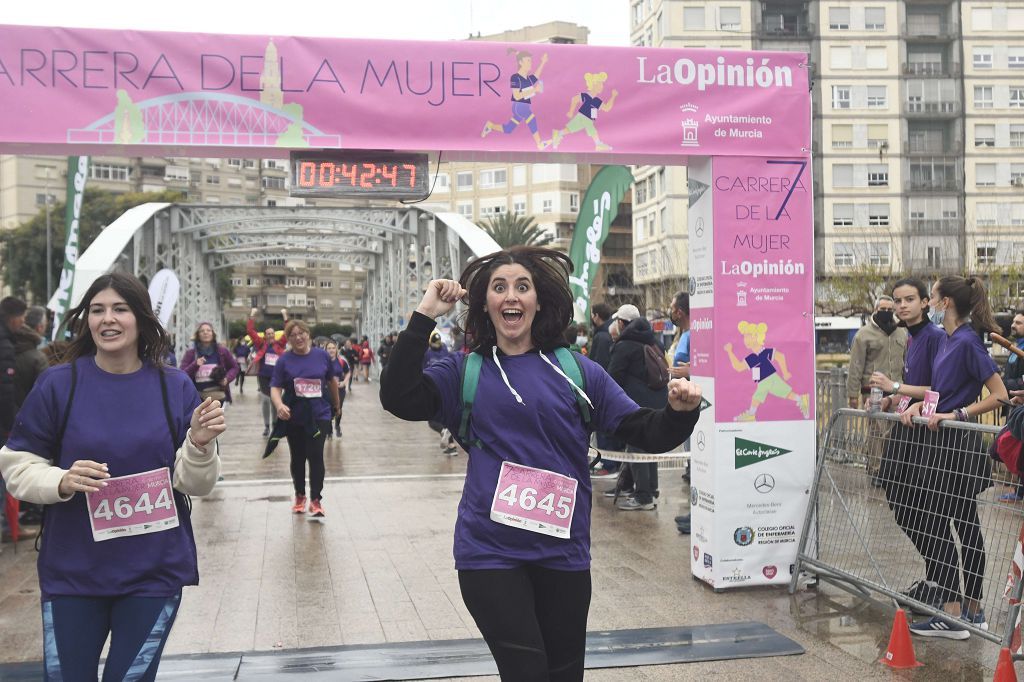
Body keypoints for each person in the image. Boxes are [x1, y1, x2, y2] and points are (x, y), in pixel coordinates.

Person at [380, 246, 703, 680]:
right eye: (499, 288)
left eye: (522, 287)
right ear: (487, 304)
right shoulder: (464, 372)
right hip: (489, 554)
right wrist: (425, 314)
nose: (511, 296)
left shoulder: (577, 371)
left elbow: (646, 431)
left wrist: (680, 413)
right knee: (527, 673)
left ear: (538, 301)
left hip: (563, 554)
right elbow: (397, 396)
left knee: (564, 675)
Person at [0, 271, 224, 680]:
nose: (108, 319)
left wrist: (199, 444)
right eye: (97, 310)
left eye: (120, 309)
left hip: (153, 573)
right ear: (86, 320)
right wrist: (61, 480)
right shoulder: (57, 384)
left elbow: (198, 484)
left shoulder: (174, 387)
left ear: (141, 318)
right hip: (73, 573)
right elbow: (17, 466)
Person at [899, 276, 1008, 639]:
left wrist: (957, 414)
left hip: (958, 448)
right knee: (950, 524)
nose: (928, 300)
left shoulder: (966, 342)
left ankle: (961, 612)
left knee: (960, 527)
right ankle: (965, 613)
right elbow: (941, 392)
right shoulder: (947, 339)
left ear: (944, 303)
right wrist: (921, 405)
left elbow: (999, 394)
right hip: (942, 446)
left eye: (931, 295)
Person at [868, 278, 946, 609]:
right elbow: (916, 387)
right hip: (906, 429)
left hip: (926, 437)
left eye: (910, 299)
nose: (902, 306)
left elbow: (938, 387)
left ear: (926, 302)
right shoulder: (911, 338)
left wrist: (895, 386)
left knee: (927, 512)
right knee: (901, 504)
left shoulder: (935, 337)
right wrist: (895, 400)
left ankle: (943, 586)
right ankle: (935, 579)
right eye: (898, 300)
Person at [271, 320, 341, 518]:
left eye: (301, 333)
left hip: (320, 414)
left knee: (316, 455)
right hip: (295, 416)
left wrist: (337, 405)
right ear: (289, 339)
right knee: (298, 457)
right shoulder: (284, 360)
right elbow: (275, 386)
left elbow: (332, 381)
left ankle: (316, 499)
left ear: (308, 335)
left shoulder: (321, 356)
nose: (298, 337)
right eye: (293, 335)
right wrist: (279, 405)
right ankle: (300, 495)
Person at [607, 304, 667, 511]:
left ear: (622, 323)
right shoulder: (655, 342)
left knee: (636, 447)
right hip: (659, 402)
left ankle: (643, 496)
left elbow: (612, 379)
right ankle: (650, 490)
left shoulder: (624, 346)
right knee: (650, 447)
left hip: (635, 405)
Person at [481, 49, 552, 150]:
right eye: (528, 61)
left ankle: (490, 126)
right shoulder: (515, 78)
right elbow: (517, 95)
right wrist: (534, 90)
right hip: (519, 105)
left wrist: (543, 62)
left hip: (523, 106)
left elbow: (536, 76)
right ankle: (539, 144)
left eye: (530, 61)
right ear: (521, 62)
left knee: (509, 129)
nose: (530, 63)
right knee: (531, 119)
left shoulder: (527, 78)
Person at [0, 297, 26, 549]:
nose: (24, 323)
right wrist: (11, 424)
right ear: (13, 317)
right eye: (22, 317)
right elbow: (5, 390)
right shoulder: (5, 343)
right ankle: (7, 526)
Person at [551, 71, 619, 151]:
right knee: (591, 127)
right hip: (583, 116)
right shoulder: (586, 96)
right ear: (593, 85)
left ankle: (558, 133)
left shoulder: (597, 101)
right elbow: (575, 99)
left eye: (602, 85)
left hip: (586, 118)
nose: (602, 87)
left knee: (571, 129)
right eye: (600, 84)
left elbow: (607, 108)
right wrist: (571, 111)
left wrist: (613, 97)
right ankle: (598, 144)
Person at [247, 308, 288, 437]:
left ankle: (275, 425)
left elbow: (287, 332)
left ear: (274, 335)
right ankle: (266, 426)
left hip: (277, 378)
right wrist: (252, 316)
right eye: (268, 334)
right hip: (264, 377)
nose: (270, 335)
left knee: (275, 402)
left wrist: (285, 317)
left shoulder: (279, 345)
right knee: (265, 400)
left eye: (272, 333)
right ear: (265, 336)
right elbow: (250, 331)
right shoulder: (261, 344)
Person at [998, 312, 1024, 501]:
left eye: (1019, 322)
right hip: (1014, 404)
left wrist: (1010, 385)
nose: (1014, 325)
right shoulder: (1016, 347)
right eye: (1014, 321)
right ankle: (1018, 490)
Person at [180, 323, 239, 406]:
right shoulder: (191, 353)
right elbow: (182, 374)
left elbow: (234, 367)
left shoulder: (222, 351)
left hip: (217, 396)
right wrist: (195, 365)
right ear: (198, 335)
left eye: (208, 330)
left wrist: (227, 379)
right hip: (197, 397)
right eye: (202, 331)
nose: (205, 332)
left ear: (213, 334)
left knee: (214, 419)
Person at [424, 330, 456, 455]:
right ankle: (452, 446)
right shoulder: (444, 351)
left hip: (433, 387)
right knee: (446, 418)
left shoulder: (427, 353)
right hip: (447, 387)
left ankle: (443, 431)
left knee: (432, 421)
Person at [324, 340, 351, 438]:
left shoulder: (341, 361)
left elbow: (348, 372)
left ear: (336, 349)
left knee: (338, 408)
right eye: (329, 348)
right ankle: (329, 430)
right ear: (325, 350)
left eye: (333, 348)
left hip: (340, 389)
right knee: (328, 409)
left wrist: (344, 382)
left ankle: (337, 425)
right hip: (327, 389)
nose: (331, 350)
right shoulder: (323, 361)